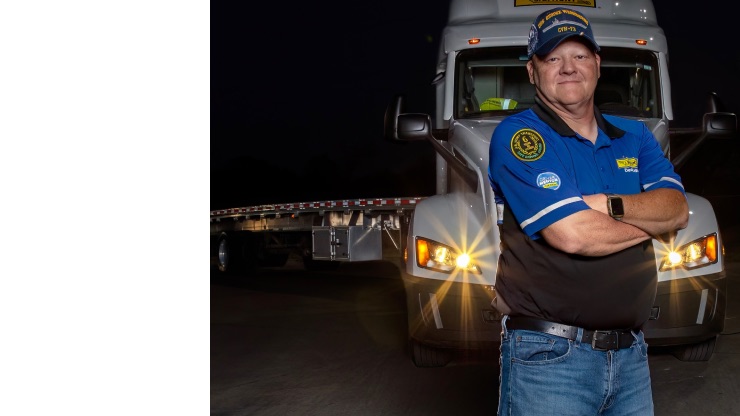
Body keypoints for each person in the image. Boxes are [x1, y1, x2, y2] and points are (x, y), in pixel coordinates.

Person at [487, 7, 689, 416]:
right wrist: (653, 224)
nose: (567, 67)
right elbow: (574, 235)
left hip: (631, 356)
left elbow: (678, 210)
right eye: (552, 58)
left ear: (597, 64)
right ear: (532, 71)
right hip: (549, 359)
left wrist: (609, 205)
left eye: (579, 55)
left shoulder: (634, 134)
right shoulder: (520, 136)